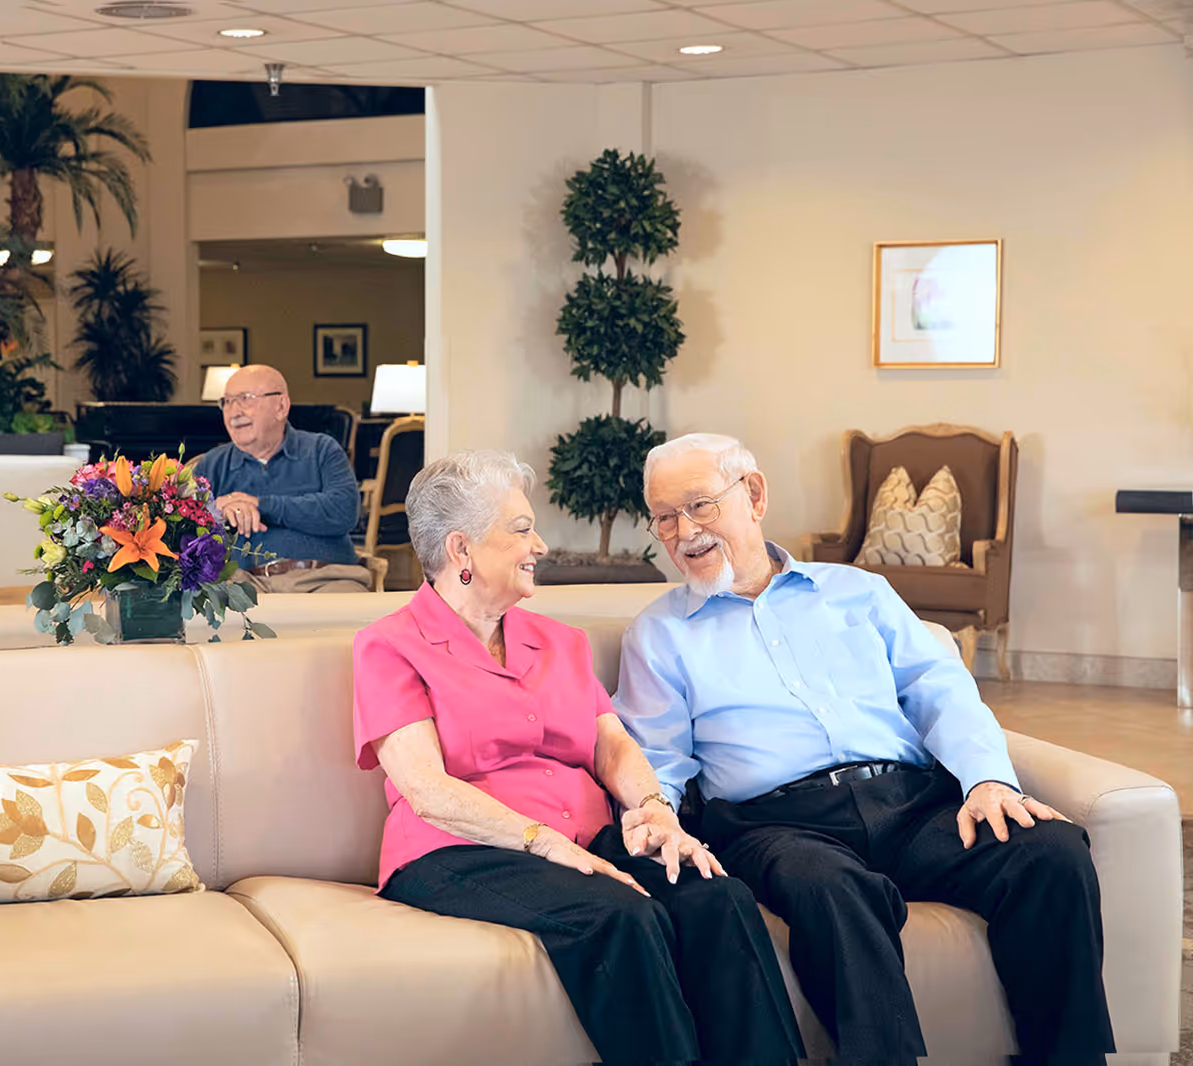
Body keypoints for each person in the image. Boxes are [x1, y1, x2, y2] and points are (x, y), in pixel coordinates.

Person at [614, 433, 1113, 1066]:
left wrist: (987, 779)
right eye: (664, 517)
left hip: (912, 804)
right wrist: (657, 812)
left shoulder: (859, 592)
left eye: (700, 506)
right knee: (831, 889)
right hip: (776, 824)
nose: (685, 532)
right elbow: (655, 755)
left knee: (1050, 852)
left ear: (754, 495)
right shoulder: (658, 635)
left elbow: (941, 691)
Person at [354, 450, 803, 1066]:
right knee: (624, 917)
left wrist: (655, 810)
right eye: (521, 529)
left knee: (715, 895)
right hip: (460, 851)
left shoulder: (559, 642)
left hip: (587, 839)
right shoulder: (389, 646)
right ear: (461, 550)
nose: (539, 545)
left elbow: (612, 744)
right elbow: (426, 789)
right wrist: (541, 841)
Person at [197, 364, 370, 593]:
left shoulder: (321, 450)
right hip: (244, 584)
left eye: (245, 399)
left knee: (349, 606)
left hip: (324, 579)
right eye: (226, 402)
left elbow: (344, 511)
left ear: (281, 406)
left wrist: (261, 505)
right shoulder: (213, 463)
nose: (234, 412)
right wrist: (215, 511)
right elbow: (183, 534)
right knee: (210, 602)